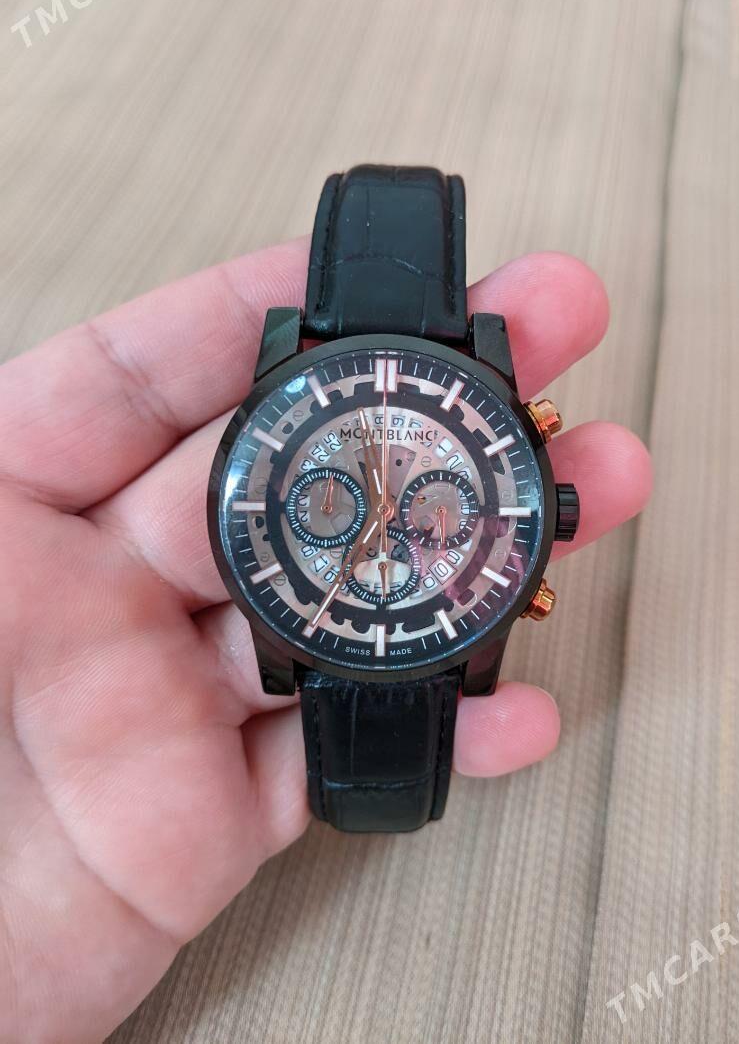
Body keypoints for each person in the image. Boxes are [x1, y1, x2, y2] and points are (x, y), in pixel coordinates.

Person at [0, 238, 652, 1042]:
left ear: (550, 512)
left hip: (375, 621)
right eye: (359, 507)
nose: (386, 517)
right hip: (336, 628)